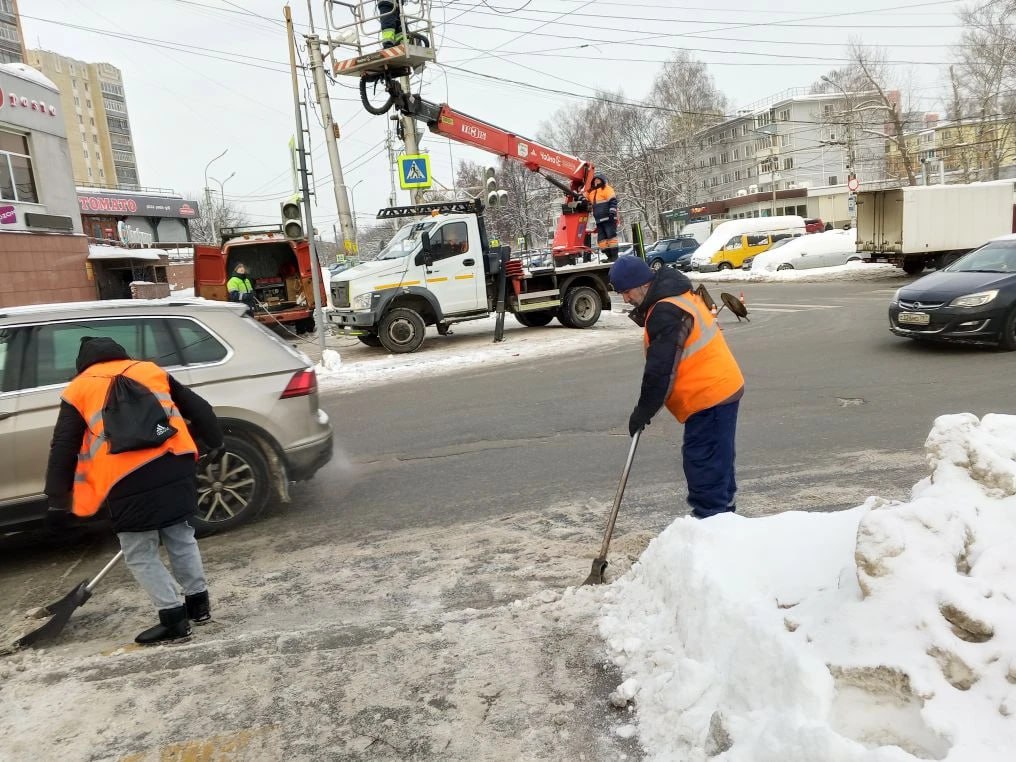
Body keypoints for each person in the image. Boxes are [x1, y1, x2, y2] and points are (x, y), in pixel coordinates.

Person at [45, 337, 224, 645]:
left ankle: (173, 620)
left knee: (139, 551)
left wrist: (57, 500)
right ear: (120, 354)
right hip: (173, 465)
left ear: (83, 364)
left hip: (126, 479)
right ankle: (198, 607)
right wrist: (215, 442)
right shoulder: (150, 370)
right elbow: (201, 408)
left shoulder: (78, 389)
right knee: (180, 536)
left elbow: (63, 447)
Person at [608, 256, 745, 519]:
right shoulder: (674, 295)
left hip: (709, 396)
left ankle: (714, 526)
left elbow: (660, 370)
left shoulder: (666, 310)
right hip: (716, 391)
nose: (625, 299)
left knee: (705, 467)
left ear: (642, 284)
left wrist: (643, 411)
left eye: (626, 292)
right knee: (717, 465)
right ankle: (724, 520)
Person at [588, 174, 620, 263]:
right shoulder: (592, 192)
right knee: (601, 241)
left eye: (598, 180)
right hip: (599, 220)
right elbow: (585, 198)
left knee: (611, 238)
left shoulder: (607, 189)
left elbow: (613, 201)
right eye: (595, 180)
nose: (596, 181)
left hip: (609, 218)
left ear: (602, 180)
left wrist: (612, 212)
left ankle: (614, 257)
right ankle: (609, 256)